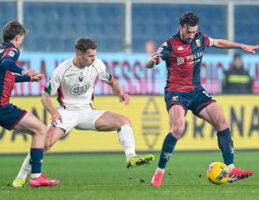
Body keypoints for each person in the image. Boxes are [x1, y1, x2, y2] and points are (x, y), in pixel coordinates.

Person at [12, 37, 154, 187]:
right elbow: (45, 97)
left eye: (94, 55)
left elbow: (112, 82)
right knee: (45, 143)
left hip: (87, 112)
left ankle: (131, 157)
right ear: (79, 55)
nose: (94, 59)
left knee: (124, 121)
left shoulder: (97, 65)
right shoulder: (63, 69)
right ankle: (20, 177)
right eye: (90, 56)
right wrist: (54, 112)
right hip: (66, 112)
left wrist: (121, 93)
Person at [145, 11, 259, 186]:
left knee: (222, 122)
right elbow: (149, 63)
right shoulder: (170, 44)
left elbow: (219, 42)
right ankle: (159, 172)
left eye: (194, 32)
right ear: (180, 28)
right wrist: (153, 61)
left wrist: (241, 46)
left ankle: (231, 169)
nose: (191, 36)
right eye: (188, 32)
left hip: (197, 91)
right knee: (178, 128)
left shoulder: (200, 39)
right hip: (176, 92)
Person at [0, 21, 59, 187]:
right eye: (22, 39)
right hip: (2, 107)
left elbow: (5, 76)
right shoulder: (12, 50)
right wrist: (24, 70)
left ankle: (35, 176)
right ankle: (36, 176)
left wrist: (27, 78)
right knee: (40, 130)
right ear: (18, 38)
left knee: (37, 130)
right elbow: (6, 64)